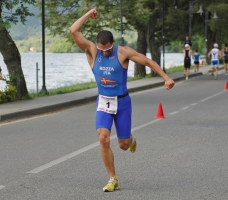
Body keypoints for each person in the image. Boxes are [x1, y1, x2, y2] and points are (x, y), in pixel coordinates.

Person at [69, 8, 175, 192]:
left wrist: (166, 78)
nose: (106, 52)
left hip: (122, 102)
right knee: (103, 139)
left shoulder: (123, 53)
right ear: (97, 45)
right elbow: (73, 31)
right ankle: (113, 178)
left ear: (113, 43)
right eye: (103, 50)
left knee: (123, 145)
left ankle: (131, 140)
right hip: (103, 101)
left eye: (108, 49)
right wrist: (88, 14)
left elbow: (148, 62)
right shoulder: (92, 52)